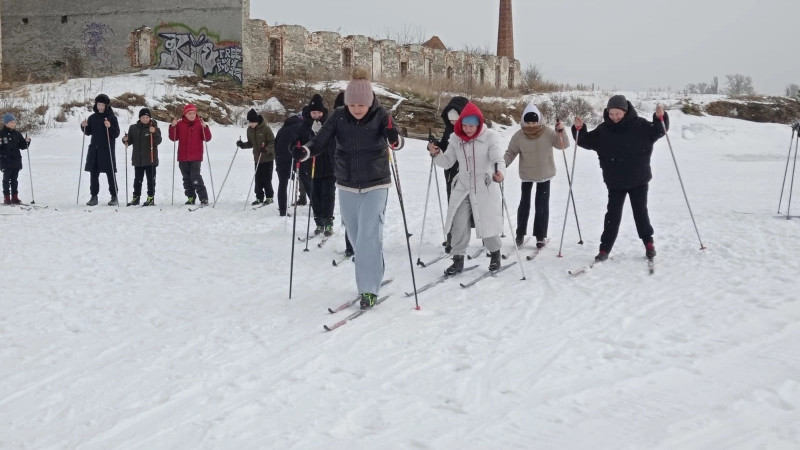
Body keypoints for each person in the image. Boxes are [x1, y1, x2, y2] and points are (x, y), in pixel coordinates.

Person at [294, 67, 403, 309]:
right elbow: (321, 140)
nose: (356, 109)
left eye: (360, 105)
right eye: (352, 105)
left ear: (369, 102)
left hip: (376, 182)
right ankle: (375, 266)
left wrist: (394, 137)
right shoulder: (338, 116)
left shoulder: (380, 115)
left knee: (368, 235)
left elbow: (397, 140)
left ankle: (368, 289)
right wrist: (306, 151)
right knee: (355, 236)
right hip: (346, 183)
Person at [572, 94, 668, 262]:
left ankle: (649, 244)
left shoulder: (640, 126)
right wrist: (579, 129)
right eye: (611, 113)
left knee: (640, 213)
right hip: (615, 181)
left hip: (638, 179)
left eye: (618, 113)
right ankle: (604, 249)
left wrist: (660, 117)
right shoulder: (604, 130)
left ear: (625, 111)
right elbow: (585, 141)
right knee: (612, 216)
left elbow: (659, 130)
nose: (614, 117)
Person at [429, 102, 506, 275]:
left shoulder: (490, 137)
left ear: (478, 124)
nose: (468, 129)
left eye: (471, 125)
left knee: (487, 221)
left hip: (484, 184)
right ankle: (457, 260)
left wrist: (499, 172)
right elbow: (447, 162)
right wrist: (435, 153)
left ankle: (495, 255)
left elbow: (497, 159)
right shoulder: (456, 139)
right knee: (459, 224)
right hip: (462, 185)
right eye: (465, 125)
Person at [504, 102, 569, 248]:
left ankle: (540, 236)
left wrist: (561, 131)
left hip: (544, 174)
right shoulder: (519, 135)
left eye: (534, 122)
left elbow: (562, 145)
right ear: (524, 121)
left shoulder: (548, 132)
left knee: (542, 205)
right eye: (528, 122)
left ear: (539, 120)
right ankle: (520, 233)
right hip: (527, 174)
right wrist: (503, 165)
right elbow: (511, 152)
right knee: (524, 205)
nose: (531, 125)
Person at [427, 96, 468, 252]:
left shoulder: (471, 128)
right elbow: (445, 147)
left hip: (468, 174)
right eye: (450, 120)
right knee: (453, 205)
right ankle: (452, 238)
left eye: (456, 120)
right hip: (450, 173)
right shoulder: (449, 129)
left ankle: (486, 237)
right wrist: (435, 145)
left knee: (474, 206)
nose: (452, 123)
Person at [295, 94, 337, 236]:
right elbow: (295, 143)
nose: (316, 115)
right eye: (314, 112)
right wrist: (295, 149)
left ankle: (328, 222)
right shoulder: (304, 126)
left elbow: (335, 142)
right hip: (312, 167)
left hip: (329, 166)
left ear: (323, 112)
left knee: (328, 195)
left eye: (319, 112)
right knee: (315, 195)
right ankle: (318, 221)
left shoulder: (330, 125)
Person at [81, 94, 120, 206]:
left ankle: (114, 196)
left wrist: (109, 126)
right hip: (94, 150)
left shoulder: (112, 118)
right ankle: (94, 196)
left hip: (107, 150)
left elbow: (116, 133)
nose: (100, 107)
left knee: (110, 173)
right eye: (98, 104)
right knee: (93, 174)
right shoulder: (92, 117)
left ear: (106, 105)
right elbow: (88, 132)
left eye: (102, 104)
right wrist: (83, 126)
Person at [169, 104, 212, 205]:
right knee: (186, 179)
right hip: (183, 157)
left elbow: (207, 138)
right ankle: (191, 197)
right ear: (185, 114)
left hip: (196, 156)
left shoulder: (199, 124)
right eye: (189, 113)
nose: (192, 115)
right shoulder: (180, 124)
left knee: (195, 177)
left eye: (193, 113)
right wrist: (172, 126)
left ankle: (203, 198)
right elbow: (173, 138)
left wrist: (205, 128)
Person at [122, 108, 161, 206]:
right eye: (143, 117)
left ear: (150, 118)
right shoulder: (133, 128)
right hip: (138, 159)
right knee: (137, 180)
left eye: (147, 117)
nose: (145, 119)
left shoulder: (154, 128)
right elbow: (129, 142)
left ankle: (150, 198)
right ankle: (136, 198)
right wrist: (125, 139)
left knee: (150, 180)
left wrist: (154, 132)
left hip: (150, 159)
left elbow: (158, 141)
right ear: (140, 118)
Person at [237, 109, 275, 205]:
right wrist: (242, 145)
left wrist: (266, 149)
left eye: (253, 122)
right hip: (257, 158)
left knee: (267, 179)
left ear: (257, 121)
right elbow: (250, 143)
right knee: (258, 179)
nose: (251, 124)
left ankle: (269, 197)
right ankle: (259, 197)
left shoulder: (266, 129)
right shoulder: (249, 130)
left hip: (267, 158)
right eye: (250, 122)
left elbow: (273, 142)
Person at [274, 112, 302, 216]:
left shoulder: (282, 129)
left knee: (282, 184)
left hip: (281, 159)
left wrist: (277, 161)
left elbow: (275, 144)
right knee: (307, 182)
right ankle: (316, 208)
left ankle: (282, 210)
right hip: (294, 158)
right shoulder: (300, 126)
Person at [0, 113, 31, 204]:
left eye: (14, 122)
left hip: (16, 160)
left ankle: (15, 197)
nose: (13, 123)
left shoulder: (17, 134)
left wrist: (27, 142)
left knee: (14, 179)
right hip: (5, 160)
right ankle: (7, 198)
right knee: (6, 179)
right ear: (5, 123)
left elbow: (22, 146)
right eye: (11, 122)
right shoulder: (1, 134)